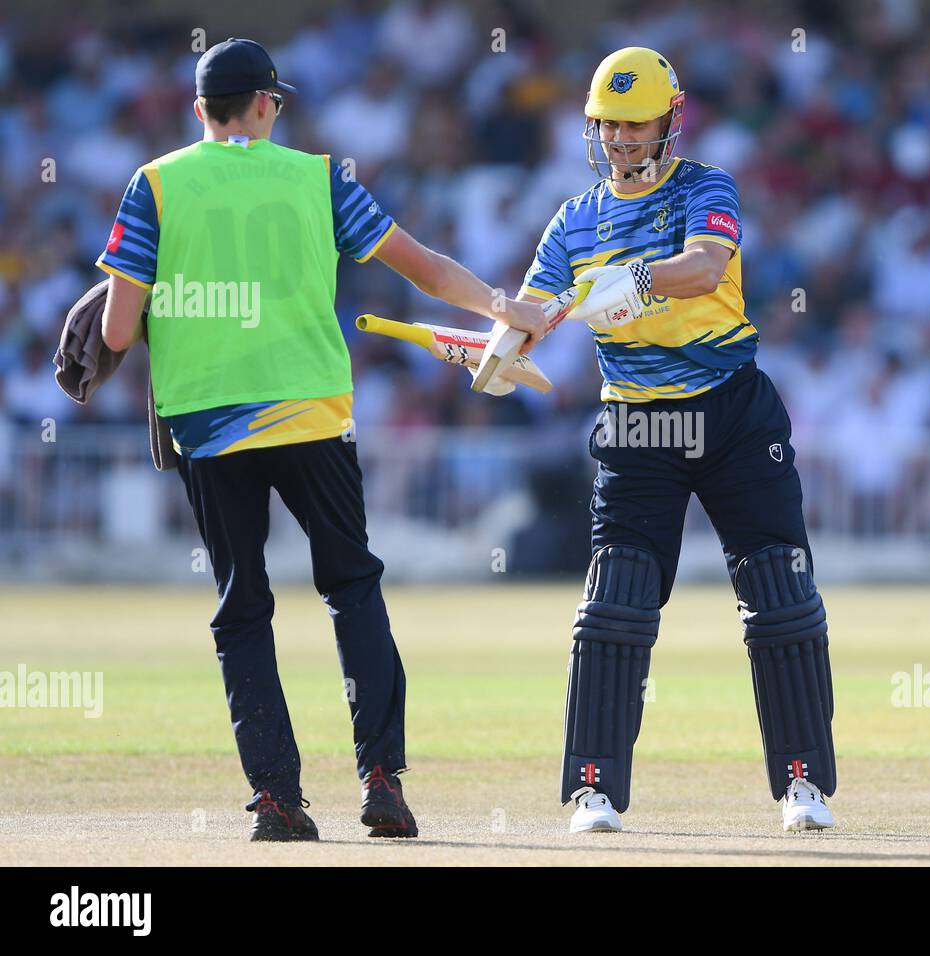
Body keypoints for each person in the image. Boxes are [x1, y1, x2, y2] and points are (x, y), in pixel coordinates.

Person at [97, 38, 545, 841]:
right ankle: (381, 779)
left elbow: (120, 329)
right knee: (351, 588)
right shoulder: (319, 177)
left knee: (243, 609)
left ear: (200, 110)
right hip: (311, 414)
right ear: (268, 105)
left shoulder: (154, 184)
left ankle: (276, 800)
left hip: (206, 421)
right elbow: (428, 271)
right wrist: (504, 309)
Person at [517, 47, 836, 833]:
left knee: (779, 592)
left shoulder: (706, 185)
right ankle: (592, 789)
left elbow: (704, 266)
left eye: (635, 124)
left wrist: (638, 280)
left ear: (669, 119)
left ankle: (802, 785)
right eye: (607, 125)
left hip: (732, 410)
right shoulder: (573, 218)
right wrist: (498, 349)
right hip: (638, 421)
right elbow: (534, 307)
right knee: (615, 602)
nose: (621, 140)